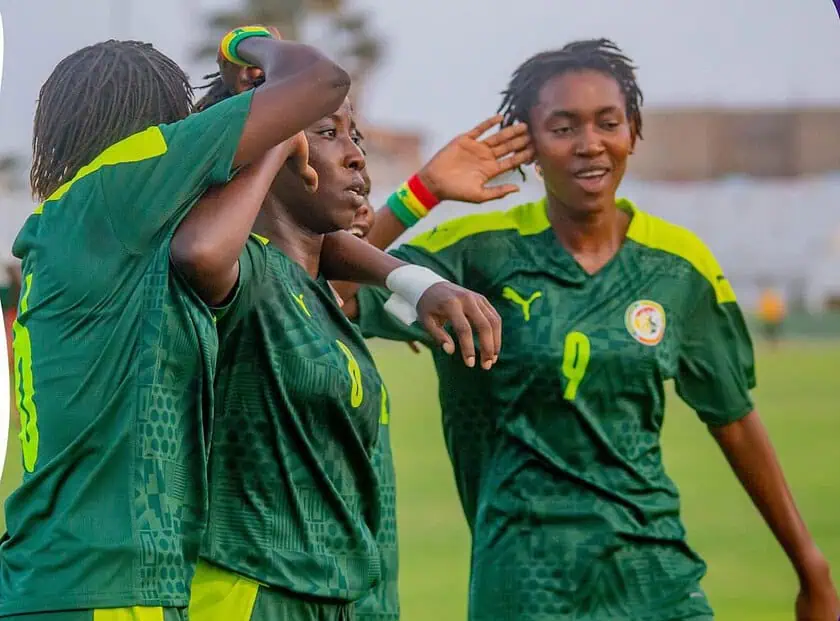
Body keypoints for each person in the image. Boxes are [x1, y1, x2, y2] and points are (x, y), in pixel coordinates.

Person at [0, 28, 496, 620]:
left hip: (88, 578)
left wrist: (409, 278)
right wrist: (249, 48)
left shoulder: (95, 233)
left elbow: (311, 252)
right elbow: (320, 82)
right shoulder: (122, 197)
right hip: (108, 587)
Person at [341, 39, 840, 621]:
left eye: (609, 122)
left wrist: (814, 571)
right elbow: (333, 288)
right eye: (563, 127)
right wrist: (421, 192)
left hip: (658, 580)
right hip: (523, 585)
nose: (590, 145)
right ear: (525, 143)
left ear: (634, 130)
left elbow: (734, 419)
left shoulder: (680, 268)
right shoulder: (476, 255)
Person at [173, 55, 514, 620]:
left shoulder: (311, 289)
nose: (356, 153)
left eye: (353, 134)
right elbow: (209, 251)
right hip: (252, 596)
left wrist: (413, 277)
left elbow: (329, 259)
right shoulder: (245, 276)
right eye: (326, 133)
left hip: (341, 596)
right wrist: (269, 134)